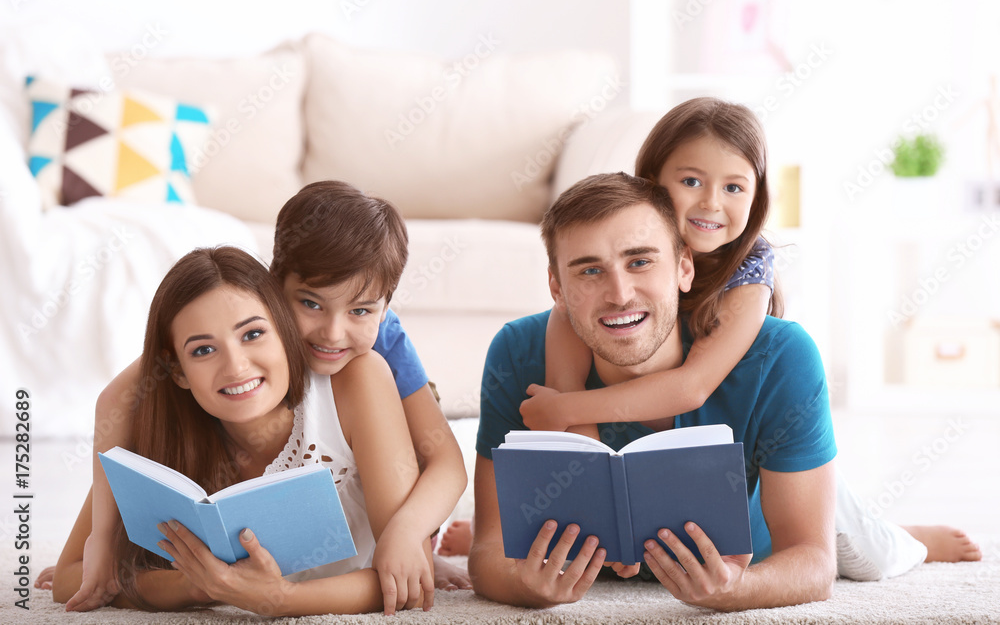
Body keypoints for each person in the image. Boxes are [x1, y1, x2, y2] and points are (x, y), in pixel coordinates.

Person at [448, 98, 981, 575]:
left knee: (862, 547)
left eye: (733, 187)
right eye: (691, 182)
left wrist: (566, 407)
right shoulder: (602, 263)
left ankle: (911, 539)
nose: (709, 204)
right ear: (651, 183)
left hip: (791, 487)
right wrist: (574, 440)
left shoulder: (749, 271)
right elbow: (565, 327)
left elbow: (694, 386)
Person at [41, 181, 469, 614]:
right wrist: (133, 554)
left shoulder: (370, 355)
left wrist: (408, 532)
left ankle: (423, 540)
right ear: (274, 288)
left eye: (360, 310)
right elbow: (119, 397)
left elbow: (447, 463)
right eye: (310, 303)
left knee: (404, 521)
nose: (333, 332)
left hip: (383, 453)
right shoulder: (181, 377)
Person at [469, 172, 839, 610]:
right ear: (557, 288)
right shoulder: (517, 352)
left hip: (820, 512)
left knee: (871, 546)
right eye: (590, 271)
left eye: (640, 262)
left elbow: (815, 563)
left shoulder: (781, 356)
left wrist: (735, 589)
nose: (620, 294)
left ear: (685, 267)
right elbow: (487, 555)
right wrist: (524, 587)